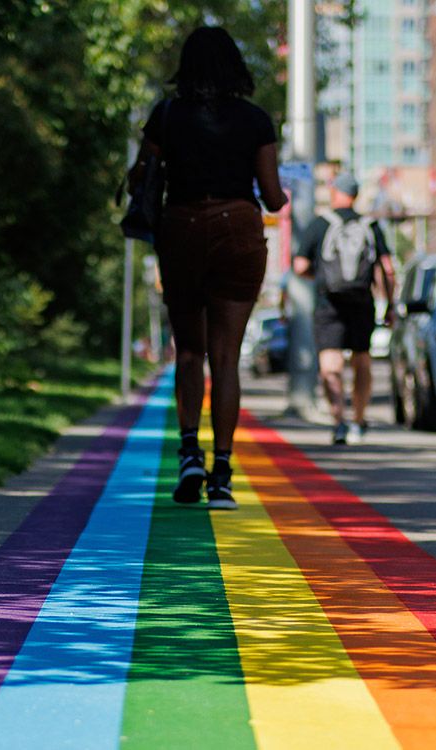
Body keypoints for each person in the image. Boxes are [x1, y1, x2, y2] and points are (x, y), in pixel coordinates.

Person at [129, 26, 287, 509]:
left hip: (180, 229)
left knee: (190, 351)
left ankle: (188, 453)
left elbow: (141, 177)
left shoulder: (167, 115)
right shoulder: (256, 120)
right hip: (238, 230)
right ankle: (221, 474)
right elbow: (274, 198)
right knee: (226, 356)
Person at [293, 173, 396, 445]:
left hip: (329, 304)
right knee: (362, 360)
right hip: (362, 302)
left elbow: (300, 266)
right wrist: (390, 307)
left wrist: (319, 278)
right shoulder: (370, 225)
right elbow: (387, 268)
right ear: (356, 194)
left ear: (335, 191)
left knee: (330, 364)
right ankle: (359, 421)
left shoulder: (320, 224)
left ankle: (338, 421)